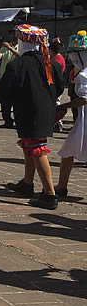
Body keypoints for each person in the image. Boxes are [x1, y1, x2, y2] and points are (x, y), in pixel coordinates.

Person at [0, 25, 64, 209]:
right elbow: (59, 88)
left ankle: (49, 194)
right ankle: (27, 183)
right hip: (45, 111)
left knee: (37, 148)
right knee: (30, 146)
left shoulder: (17, 65)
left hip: (28, 111)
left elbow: (2, 92)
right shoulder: (51, 64)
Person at [53, 31, 87, 198]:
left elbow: (84, 100)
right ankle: (61, 185)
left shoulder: (83, 75)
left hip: (84, 120)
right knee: (68, 151)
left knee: (68, 152)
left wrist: (63, 106)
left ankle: (61, 186)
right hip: (82, 119)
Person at [0, 31, 20, 128]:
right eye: (11, 34)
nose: (13, 36)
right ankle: (7, 121)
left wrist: (10, 48)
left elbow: (20, 56)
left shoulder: (21, 46)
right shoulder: (5, 46)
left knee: (17, 102)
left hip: (17, 78)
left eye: (15, 35)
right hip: (4, 77)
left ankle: (18, 121)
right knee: (5, 102)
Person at [50, 39, 67, 132]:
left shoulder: (58, 60)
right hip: (55, 85)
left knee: (56, 104)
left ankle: (58, 123)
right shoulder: (57, 59)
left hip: (56, 85)